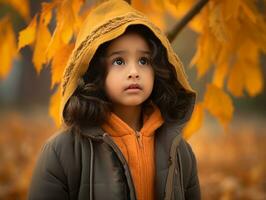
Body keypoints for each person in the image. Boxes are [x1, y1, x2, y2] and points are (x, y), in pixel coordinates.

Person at [28, 0, 200, 199]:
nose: (134, 72)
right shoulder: (62, 152)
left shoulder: (180, 153)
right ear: (95, 71)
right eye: (119, 61)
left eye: (144, 61)